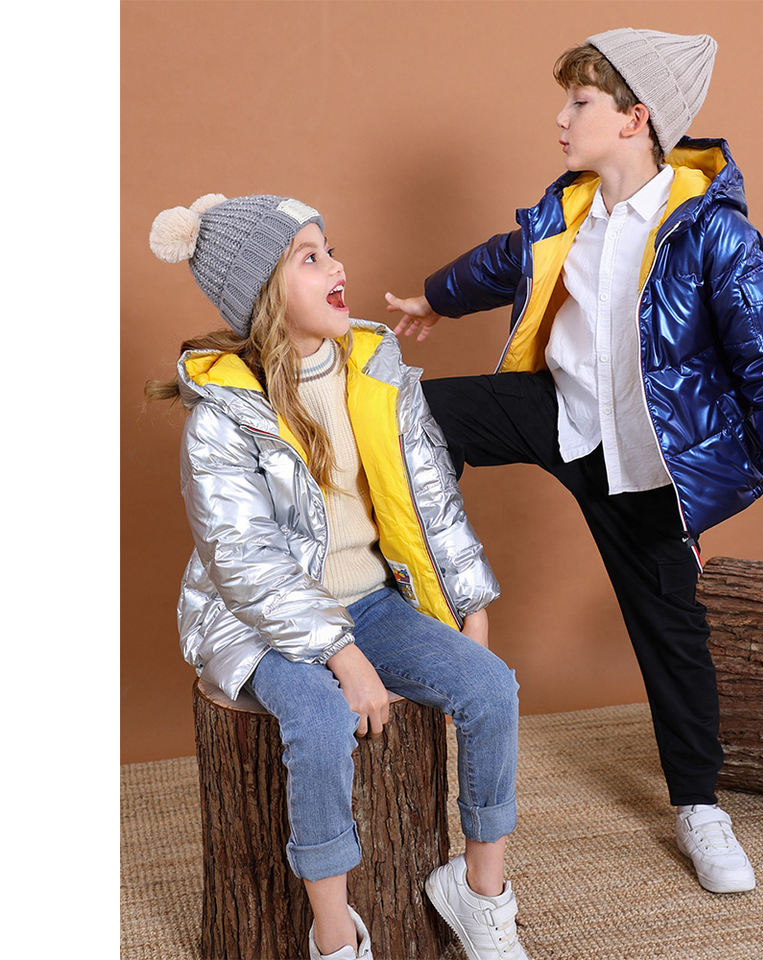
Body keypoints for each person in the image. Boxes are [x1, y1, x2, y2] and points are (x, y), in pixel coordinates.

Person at [385, 27, 763, 896]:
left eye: (580, 102)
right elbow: (507, 258)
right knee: (417, 413)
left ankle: (700, 806)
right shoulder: (570, 210)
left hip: (647, 460)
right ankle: (419, 574)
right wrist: (435, 299)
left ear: (635, 119)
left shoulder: (710, 232)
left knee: (672, 629)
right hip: (560, 413)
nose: (561, 118)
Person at [146, 192, 532, 960]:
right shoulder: (223, 413)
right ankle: (334, 934)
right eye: (310, 257)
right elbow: (245, 560)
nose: (337, 266)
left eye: (331, 249)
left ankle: (480, 891)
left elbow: (430, 496)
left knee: (492, 687)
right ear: (264, 290)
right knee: (321, 720)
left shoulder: (377, 371)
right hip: (259, 621)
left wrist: (471, 602)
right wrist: (339, 654)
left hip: (372, 603)